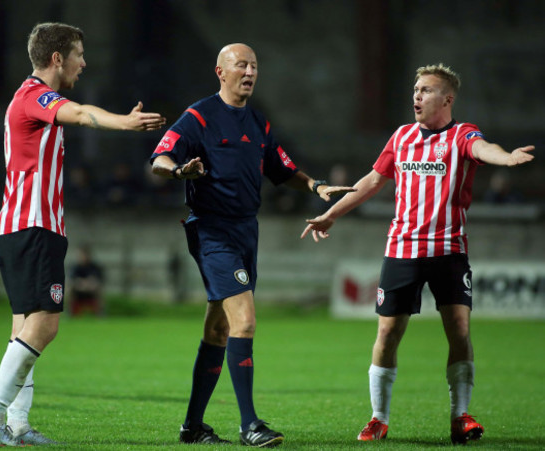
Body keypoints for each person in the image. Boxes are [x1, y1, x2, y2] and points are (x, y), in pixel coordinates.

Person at [301, 63, 535, 445]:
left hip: (449, 250)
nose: (417, 96)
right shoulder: (402, 136)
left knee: (458, 331)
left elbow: (482, 147)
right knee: (388, 332)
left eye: (425, 90)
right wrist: (330, 215)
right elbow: (373, 181)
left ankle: (460, 416)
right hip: (402, 250)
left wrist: (505, 157)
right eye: (415, 89)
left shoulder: (462, 134)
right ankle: (378, 418)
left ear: (447, 99)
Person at [0, 22, 165, 447]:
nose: (84, 61)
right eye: (78, 53)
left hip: (27, 227)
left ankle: (17, 425)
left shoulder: (31, 100)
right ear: (57, 58)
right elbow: (78, 113)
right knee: (45, 325)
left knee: (23, 329)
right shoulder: (34, 96)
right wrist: (125, 123)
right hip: (32, 226)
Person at [150, 43, 354, 447]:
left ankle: (192, 427)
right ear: (220, 72)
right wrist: (178, 171)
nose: (249, 71)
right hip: (212, 230)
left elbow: (283, 168)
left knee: (219, 327)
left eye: (254, 65)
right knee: (244, 319)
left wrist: (316, 185)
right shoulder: (198, 117)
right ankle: (250, 426)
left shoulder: (258, 123)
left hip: (246, 231)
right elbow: (158, 159)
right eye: (241, 64)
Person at [68, 244, 104, 316]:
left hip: (91, 291)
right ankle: (69, 313)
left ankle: (100, 314)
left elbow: (97, 280)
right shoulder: (75, 268)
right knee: (69, 288)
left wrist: (88, 284)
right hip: (78, 291)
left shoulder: (94, 267)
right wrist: (80, 284)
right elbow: (72, 280)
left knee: (99, 289)